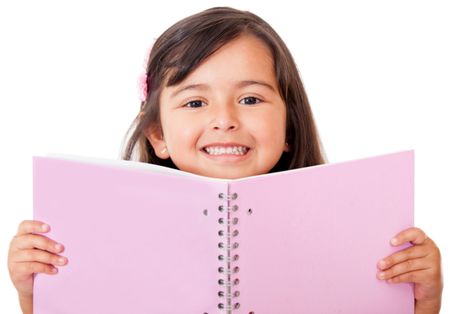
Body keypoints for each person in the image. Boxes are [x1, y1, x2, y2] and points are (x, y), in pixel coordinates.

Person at [7, 6, 442, 314]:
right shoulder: (97, 230)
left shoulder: (359, 233)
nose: (225, 120)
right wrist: (34, 294)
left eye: (250, 98)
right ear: (157, 134)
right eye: (195, 103)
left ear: (288, 126)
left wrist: (423, 300)